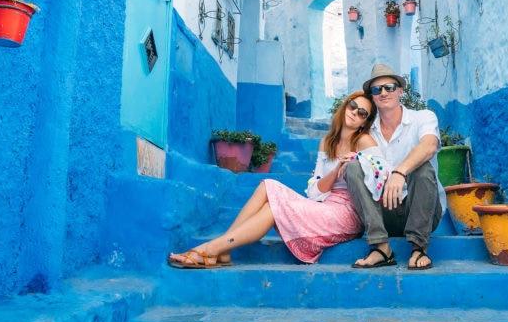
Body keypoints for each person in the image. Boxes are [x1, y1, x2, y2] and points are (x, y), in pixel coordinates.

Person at [168, 91, 389, 268]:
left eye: (362, 113)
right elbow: (315, 191)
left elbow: (381, 176)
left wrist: (357, 163)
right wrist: (336, 169)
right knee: (268, 185)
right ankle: (223, 249)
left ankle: (211, 249)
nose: (355, 113)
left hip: (348, 213)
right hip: (326, 204)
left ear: (364, 122)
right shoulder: (327, 143)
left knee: (273, 209)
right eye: (353, 106)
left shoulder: (364, 141)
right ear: (345, 106)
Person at [345, 64, 443, 271]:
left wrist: (399, 172)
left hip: (421, 210)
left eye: (389, 87)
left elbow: (429, 146)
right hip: (382, 214)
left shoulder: (423, 117)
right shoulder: (366, 131)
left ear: (400, 91)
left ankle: (419, 248)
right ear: (372, 97)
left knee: (422, 167)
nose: (383, 93)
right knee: (352, 167)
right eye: (376, 89)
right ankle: (381, 248)